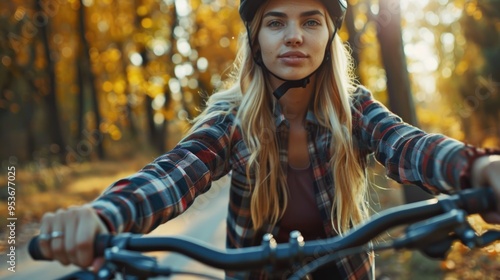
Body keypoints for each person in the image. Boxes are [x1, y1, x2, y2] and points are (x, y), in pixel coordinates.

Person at [36, 0, 500, 279]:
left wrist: (478, 167)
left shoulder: (353, 108)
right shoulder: (232, 119)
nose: (294, 37)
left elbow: (407, 143)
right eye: (276, 22)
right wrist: (103, 215)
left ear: (329, 36)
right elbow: (175, 173)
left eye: (311, 21)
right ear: (255, 39)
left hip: (349, 270)